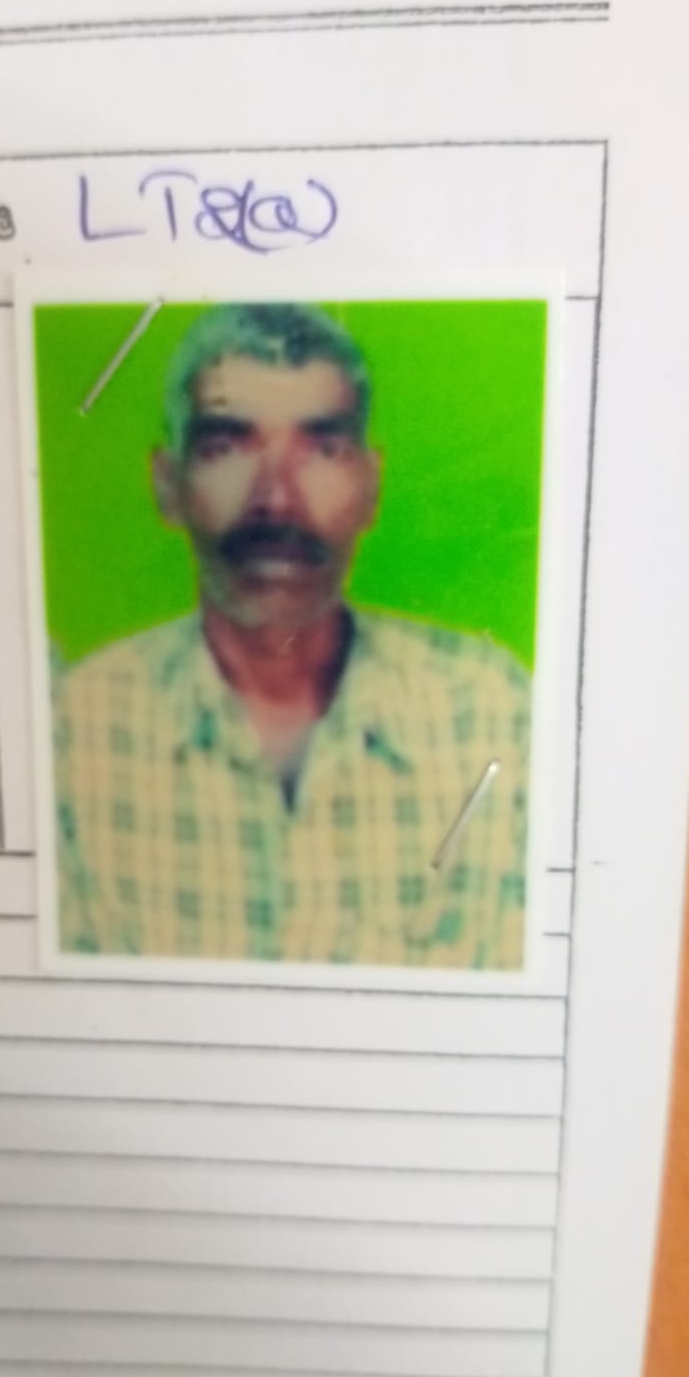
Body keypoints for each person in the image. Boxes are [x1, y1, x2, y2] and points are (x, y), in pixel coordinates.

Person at [53, 302, 531, 968]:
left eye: (322, 448)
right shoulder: (77, 733)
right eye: (226, 446)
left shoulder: (491, 715)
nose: (275, 498)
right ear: (168, 484)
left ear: (369, 485)